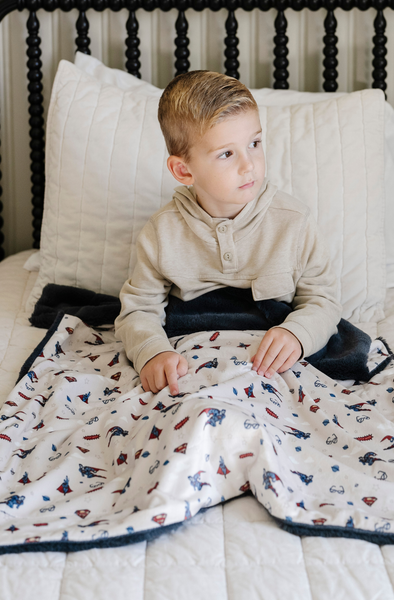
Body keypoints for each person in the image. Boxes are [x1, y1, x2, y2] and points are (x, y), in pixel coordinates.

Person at [114, 71, 341, 395]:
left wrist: (298, 334)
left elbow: (323, 301)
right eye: (226, 153)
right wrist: (153, 351)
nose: (249, 165)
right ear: (184, 170)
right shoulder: (161, 233)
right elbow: (138, 309)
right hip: (191, 367)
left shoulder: (294, 222)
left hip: (270, 363)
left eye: (254, 143)